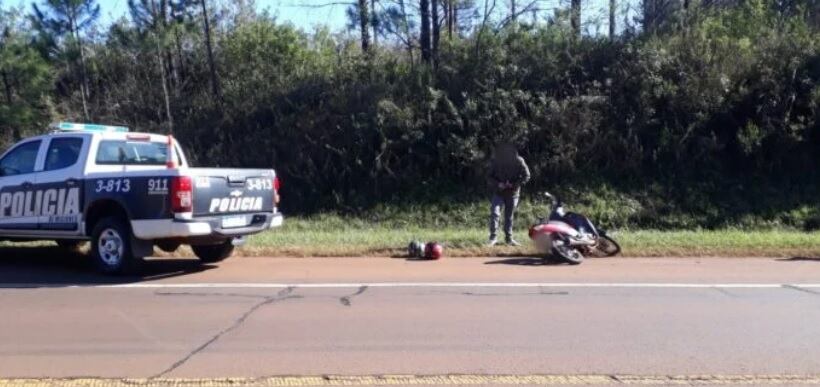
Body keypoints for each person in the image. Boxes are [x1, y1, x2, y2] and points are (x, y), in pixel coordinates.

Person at [487, 143, 531, 246]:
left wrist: (514, 184)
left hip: (513, 193)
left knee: (509, 216)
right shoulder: (496, 161)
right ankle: (493, 238)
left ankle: (509, 239)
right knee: (495, 213)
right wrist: (498, 184)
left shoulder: (519, 161)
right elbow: (489, 177)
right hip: (499, 193)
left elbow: (527, 175)